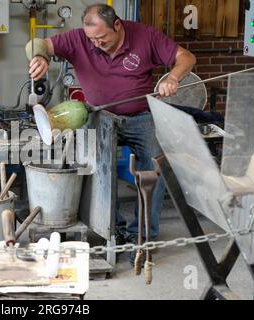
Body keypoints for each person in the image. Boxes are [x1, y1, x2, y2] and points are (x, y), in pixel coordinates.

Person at [26, 3, 196, 265]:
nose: (95, 44)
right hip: (98, 115)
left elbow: (186, 57)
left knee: (153, 171)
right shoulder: (80, 39)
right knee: (98, 173)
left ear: (118, 25)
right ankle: (112, 230)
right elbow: (38, 43)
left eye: (101, 38)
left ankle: (142, 237)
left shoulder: (145, 36)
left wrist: (173, 77)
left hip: (142, 116)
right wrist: (41, 57)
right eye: (92, 39)